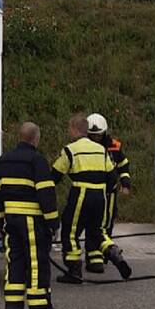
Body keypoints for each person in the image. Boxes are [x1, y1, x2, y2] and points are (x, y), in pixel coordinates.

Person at [0, 122, 67, 309]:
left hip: (10, 221)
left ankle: (13, 308)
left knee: (14, 260)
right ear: (36, 138)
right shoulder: (37, 161)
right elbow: (46, 195)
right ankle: (40, 308)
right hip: (32, 221)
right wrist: (53, 223)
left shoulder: (3, 161)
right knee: (36, 263)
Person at [51, 114, 132, 283]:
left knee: (70, 230)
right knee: (98, 231)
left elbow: (55, 176)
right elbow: (112, 177)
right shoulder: (101, 150)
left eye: (69, 129)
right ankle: (113, 253)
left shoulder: (70, 149)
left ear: (75, 130)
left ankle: (74, 271)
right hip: (101, 197)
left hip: (81, 194)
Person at [86, 113, 131, 251]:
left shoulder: (114, 146)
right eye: (92, 136)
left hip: (109, 192)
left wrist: (125, 184)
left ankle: (105, 250)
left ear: (104, 133)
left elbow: (123, 166)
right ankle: (93, 254)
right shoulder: (84, 147)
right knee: (91, 221)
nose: (96, 139)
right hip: (90, 191)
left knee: (107, 222)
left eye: (98, 135)